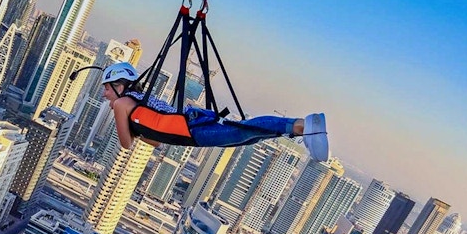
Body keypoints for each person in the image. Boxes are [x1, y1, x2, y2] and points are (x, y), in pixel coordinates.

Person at [101, 62, 330, 162]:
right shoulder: (138, 102)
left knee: (242, 132)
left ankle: (303, 125)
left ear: (119, 85)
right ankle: (299, 129)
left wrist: (126, 124)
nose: (104, 94)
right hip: (191, 128)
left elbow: (126, 144)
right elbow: (157, 142)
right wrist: (138, 129)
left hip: (192, 131)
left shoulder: (122, 105)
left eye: (107, 88)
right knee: (246, 138)